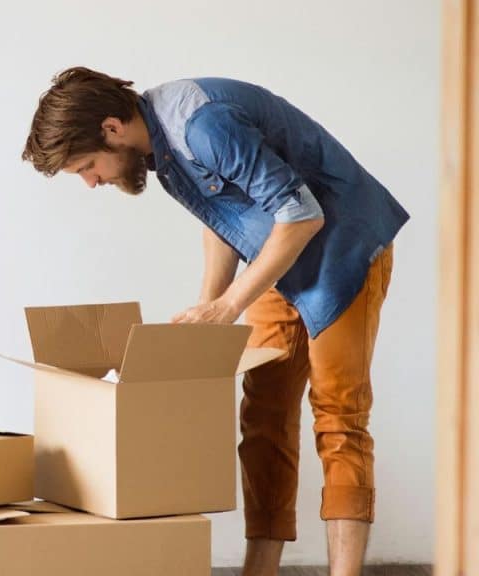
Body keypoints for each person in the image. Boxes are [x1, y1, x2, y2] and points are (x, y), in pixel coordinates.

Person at [21, 68, 408, 576]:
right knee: (263, 417)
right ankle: (260, 569)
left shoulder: (201, 125)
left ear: (112, 128)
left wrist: (229, 307)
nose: (92, 182)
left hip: (343, 248)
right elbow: (220, 216)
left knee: (338, 416)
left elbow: (303, 214)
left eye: (87, 166)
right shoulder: (160, 146)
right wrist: (209, 306)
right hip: (282, 260)